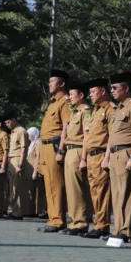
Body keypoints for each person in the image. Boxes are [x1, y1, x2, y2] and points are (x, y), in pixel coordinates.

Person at [102, 71, 131, 242]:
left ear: (125, 88)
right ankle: (118, 228)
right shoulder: (118, 109)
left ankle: (127, 230)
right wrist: (107, 156)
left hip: (126, 152)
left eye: (115, 88)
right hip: (114, 154)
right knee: (117, 194)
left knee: (127, 192)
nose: (112, 91)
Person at [80, 78, 113, 239]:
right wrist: (84, 158)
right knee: (94, 191)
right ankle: (98, 222)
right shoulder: (94, 110)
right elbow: (88, 136)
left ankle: (102, 224)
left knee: (102, 192)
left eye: (93, 91)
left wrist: (107, 157)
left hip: (101, 154)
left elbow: (113, 135)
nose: (91, 95)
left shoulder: (110, 109)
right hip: (91, 155)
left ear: (103, 91)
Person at [38, 69, 70, 233]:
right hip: (45, 146)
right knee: (49, 184)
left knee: (55, 184)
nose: (49, 84)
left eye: (53, 81)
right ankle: (52, 218)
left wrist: (61, 150)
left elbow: (67, 126)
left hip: (54, 146)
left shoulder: (65, 101)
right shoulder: (52, 102)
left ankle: (57, 220)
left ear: (62, 83)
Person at [59, 81, 92, 236]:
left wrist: (84, 157)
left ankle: (80, 222)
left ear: (81, 95)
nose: (69, 98)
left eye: (72, 95)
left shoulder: (85, 111)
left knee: (77, 189)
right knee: (71, 189)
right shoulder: (73, 112)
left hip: (78, 150)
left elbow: (87, 136)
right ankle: (74, 221)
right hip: (69, 151)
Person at [5, 112, 30, 220]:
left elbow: (24, 148)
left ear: (14, 119)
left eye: (8, 122)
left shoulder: (21, 131)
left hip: (17, 160)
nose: (7, 124)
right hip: (11, 160)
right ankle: (15, 210)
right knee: (12, 187)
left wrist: (20, 164)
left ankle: (18, 212)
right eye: (5, 122)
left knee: (17, 187)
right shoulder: (12, 132)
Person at [26, 127, 47, 218]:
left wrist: (35, 171)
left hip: (36, 170)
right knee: (32, 191)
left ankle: (41, 211)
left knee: (39, 192)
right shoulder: (32, 144)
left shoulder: (38, 143)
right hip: (30, 171)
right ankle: (32, 210)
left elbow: (38, 158)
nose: (29, 137)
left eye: (30, 135)